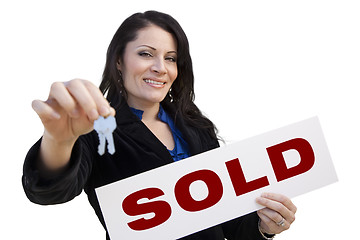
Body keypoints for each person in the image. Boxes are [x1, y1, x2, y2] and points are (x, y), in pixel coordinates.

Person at [22, 10, 297, 240]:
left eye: (170, 58)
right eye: (145, 54)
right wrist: (58, 140)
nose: (160, 67)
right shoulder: (94, 129)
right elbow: (47, 191)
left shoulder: (196, 128)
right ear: (119, 61)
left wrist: (264, 227)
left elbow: (228, 222)